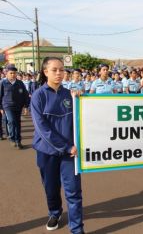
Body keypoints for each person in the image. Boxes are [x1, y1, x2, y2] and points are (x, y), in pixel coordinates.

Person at [30, 57, 84, 233]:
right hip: (47, 152)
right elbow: (42, 129)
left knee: (74, 192)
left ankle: (76, 228)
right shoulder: (38, 96)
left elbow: (81, 118)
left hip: (69, 153)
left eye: (62, 70)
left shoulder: (70, 94)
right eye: (55, 70)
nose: (59, 73)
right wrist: (66, 146)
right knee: (51, 188)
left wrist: (81, 101)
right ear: (45, 72)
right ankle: (55, 212)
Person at [0, 65, 29, 149]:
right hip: (7, 106)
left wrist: (26, 107)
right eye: (11, 73)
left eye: (14, 73)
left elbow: (25, 95)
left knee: (18, 123)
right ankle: (12, 138)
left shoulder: (20, 83)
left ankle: (18, 141)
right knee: (12, 121)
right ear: (7, 74)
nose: (13, 74)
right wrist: (1, 108)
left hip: (18, 106)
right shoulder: (3, 83)